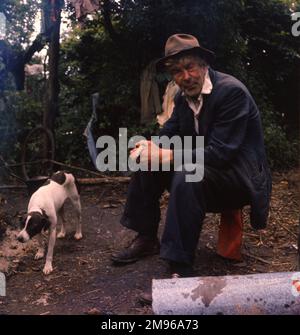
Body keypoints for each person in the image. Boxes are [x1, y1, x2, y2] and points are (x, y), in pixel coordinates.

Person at [111, 33, 272, 277]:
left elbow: (220, 153)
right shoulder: (181, 97)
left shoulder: (231, 92)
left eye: (190, 67)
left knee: (189, 173)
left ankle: (179, 268)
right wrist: (148, 148)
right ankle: (146, 238)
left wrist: (167, 156)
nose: (186, 77)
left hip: (238, 178)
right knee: (148, 162)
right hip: (207, 170)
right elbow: (169, 133)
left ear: (204, 65)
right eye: (177, 71)